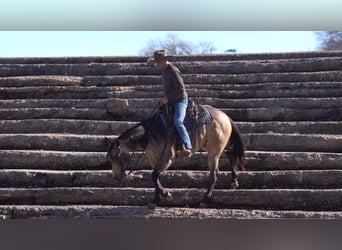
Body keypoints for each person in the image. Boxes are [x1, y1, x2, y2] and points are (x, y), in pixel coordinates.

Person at [147, 50, 192, 158]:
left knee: (178, 121)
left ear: (164, 60)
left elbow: (181, 90)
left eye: (158, 62)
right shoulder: (164, 70)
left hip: (180, 100)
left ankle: (187, 146)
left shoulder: (173, 70)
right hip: (172, 101)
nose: (156, 64)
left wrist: (168, 98)